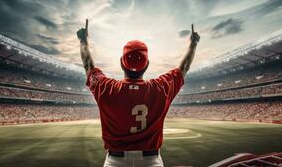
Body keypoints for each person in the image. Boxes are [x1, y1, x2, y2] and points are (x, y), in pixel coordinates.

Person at [77, 19, 200, 167]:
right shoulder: (161, 88)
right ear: (147, 64)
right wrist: (193, 44)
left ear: (122, 63)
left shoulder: (106, 88)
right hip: (151, 161)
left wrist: (83, 40)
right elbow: (184, 67)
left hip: (115, 161)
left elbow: (88, 64)